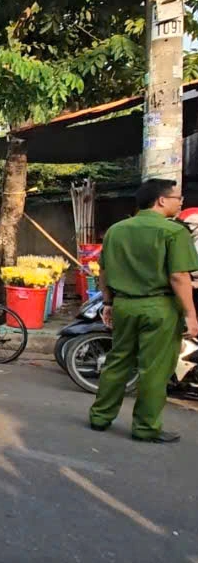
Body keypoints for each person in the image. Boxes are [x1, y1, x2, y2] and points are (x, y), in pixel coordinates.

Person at [90, 179, 198, 443]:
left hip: (124, 305)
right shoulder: (173, 232)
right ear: (161, 200)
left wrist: (108, 302)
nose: (180, 202)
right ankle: (146, 428)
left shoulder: (116, 230)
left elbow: (103, 271)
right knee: (154, 369)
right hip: (159, 307)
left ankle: (100, 417)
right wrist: (191, 314)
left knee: (118, 361)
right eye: (177, 198)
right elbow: (179, 277)